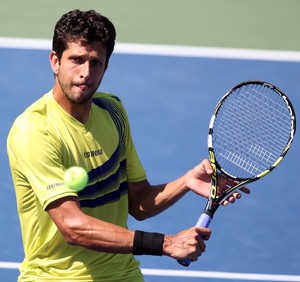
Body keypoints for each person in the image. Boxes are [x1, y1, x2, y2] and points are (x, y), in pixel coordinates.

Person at [7, 9, 250, 282]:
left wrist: (185, 181)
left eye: (95, 63)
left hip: (124, 275)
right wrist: (166, 243)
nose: (85, 73)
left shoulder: (112, 111)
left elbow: (139, 203)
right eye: (76, 60)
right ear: (55, 61)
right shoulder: (34, 130)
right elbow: (73, 227)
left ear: (106, 66)